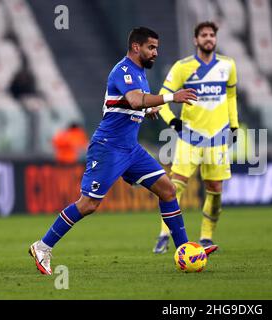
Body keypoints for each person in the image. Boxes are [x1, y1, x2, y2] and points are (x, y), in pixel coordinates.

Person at [28, 27, 217, 275]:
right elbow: (137, 99)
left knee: (168, 190)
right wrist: (171, 97)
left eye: (157, 48)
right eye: (151, 47)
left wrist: (146, 111)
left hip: (130, 149)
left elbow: (131, 104)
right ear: (136, 47)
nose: (156, 53)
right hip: (109, 147)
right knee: (88, 205)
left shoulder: (139, 73)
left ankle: (184, 250)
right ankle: (42, 246)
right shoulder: (123, 70)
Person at [153, 21, 239, 253]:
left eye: (212, 35)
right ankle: (164, 234)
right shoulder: (183, 67)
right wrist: (173, 122)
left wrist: (234, 125)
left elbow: (231, 97)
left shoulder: (228, 65)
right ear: (195, 40)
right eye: (204, 35)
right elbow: (163, 97)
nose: (209, 38)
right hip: (190, 137)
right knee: (173, 187)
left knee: (215, 191)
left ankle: (206, 238)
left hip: (219, 138)